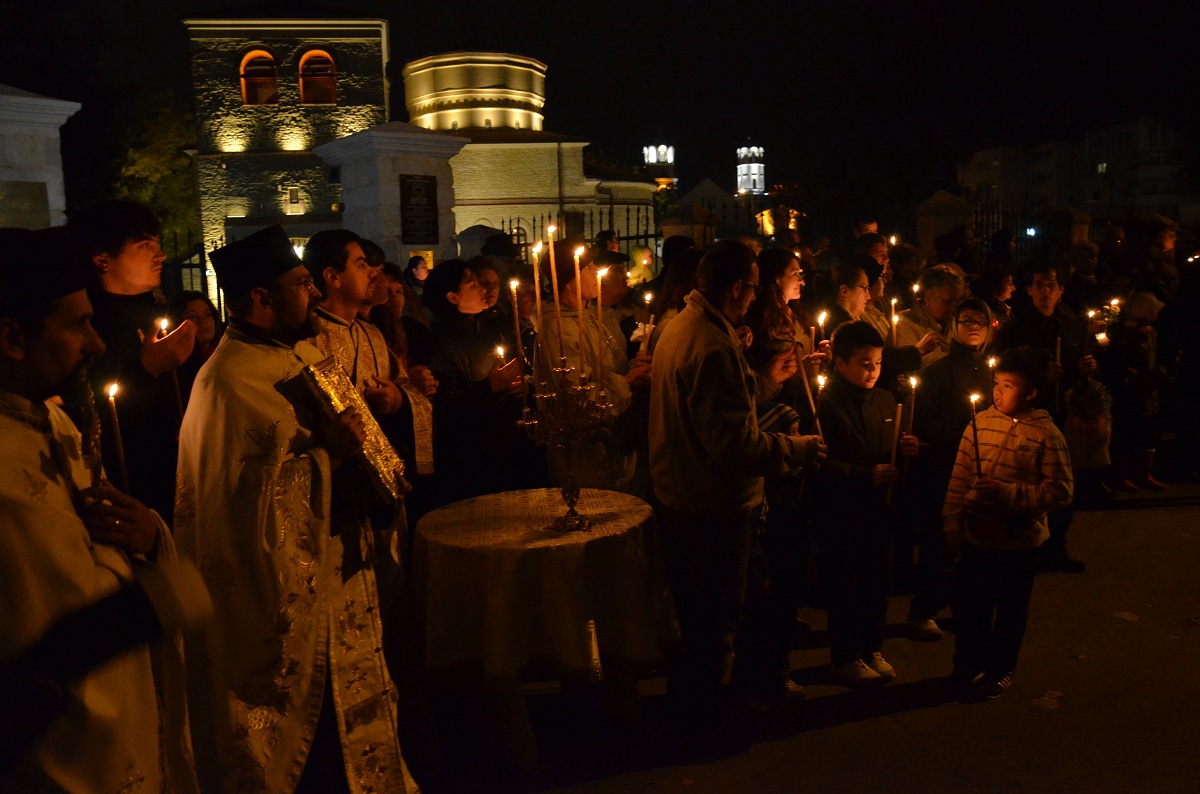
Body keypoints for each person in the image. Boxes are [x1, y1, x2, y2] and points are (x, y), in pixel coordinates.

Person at [175, 224, 419, 793]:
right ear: (261, 298)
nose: (313, 294)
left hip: (344, 586)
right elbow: (236, 520)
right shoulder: (229, 383)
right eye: (302, 284)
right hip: (289, 621)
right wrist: (330, 457)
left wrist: (377, 472)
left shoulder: (306, 352)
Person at [0, 226, 209, 793]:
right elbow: (35, 655)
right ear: (13, 337)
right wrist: (174, 591)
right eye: (78, 324)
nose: (96, 343)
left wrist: (148, 536)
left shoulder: (56, 421)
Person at [649, 239, 824, 733]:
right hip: (713, 508)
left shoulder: (685, 328)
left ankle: (690, 706)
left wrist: (762, 383)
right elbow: (737, 447)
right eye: (751, 287)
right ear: (732, 289)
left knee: (696, 620)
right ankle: (702, 721)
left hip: (681, 496)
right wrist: (799, 450)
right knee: (713, 625)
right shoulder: (710, 346)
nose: (754, 297)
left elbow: (709, 415)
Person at [943, 346, 1073, 699]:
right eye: (996, 383)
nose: (997, 392)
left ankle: (1000, 670)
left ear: (1030, 392)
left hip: (1019, 542)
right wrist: (952, 522)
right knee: (972, 608)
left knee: (1010, 610)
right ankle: (966, 665)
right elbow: (960, 475)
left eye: (1008, 385)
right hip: (976, 535)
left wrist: (1008, 494)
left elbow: (1060, 492)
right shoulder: (979, 422)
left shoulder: (1047, 435)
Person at [71, 200, 195, 526]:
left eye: (157, 243)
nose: (161, 255)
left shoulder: (157, 312)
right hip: (131, 493)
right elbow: (91, 421)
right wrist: (147, 371)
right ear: (103, 260)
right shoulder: (87, 327)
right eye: (144, 246)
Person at [814, 321, 920, 686]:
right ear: (840, 363)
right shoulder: (825, 406)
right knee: (847, 583)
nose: (873, 371)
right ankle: (845, 656)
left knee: (879, 579)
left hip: (881, 508)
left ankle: (872, 647)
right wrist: (865, 476)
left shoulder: (887, 400)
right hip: (844, 510)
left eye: (877, 362)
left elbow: (890, 452)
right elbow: (820, 466)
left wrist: (907, 452)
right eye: (863, 363)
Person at [905, 298, 996, 640]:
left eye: (980, 322)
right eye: (967, 321)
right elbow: (923, 419)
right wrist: (960, 439)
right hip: (944, 466)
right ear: (955, 327)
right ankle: (923, 609)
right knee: (940, 539)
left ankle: (964, 605)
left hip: (983, 465)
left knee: (977, 541)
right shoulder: (938, 371)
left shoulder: (992, 370)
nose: (974, 327)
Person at [994, 261, 1092, 572]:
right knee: (1030, 481)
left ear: (1061, 291)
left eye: (1052, 285)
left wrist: (1084, 368)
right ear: (1030, 290)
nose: (1046, 291)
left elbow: (1080, 362)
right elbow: (1007, 369)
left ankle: (1056, 547)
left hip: (1062, 413)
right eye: (1040, 284)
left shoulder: (1070, 324)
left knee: (1061, 480)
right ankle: (1025, 545)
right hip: (1030, 415)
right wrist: (1042, 374)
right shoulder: (1017, 328)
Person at [423, 258, 542, 503]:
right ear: (453, 297)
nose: (482, 289)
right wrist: (489, 387)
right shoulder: (440, 344)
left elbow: (523, 365)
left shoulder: (495, 327)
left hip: (514, 447)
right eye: (472, 284)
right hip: (476, 458)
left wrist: (527, 384)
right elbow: (447, 409)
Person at [540, 242, 650, 492]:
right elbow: (577, 398)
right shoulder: (558, 328)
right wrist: (627, 382)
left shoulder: (591, 315)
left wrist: (632, 368)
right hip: (586, 453)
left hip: (616, 439)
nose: (595, 272)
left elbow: (605, 370)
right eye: (588, 268)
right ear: (568, 281)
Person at [896, 264, 963, 370]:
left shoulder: (958, 324)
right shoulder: (904, 323)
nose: (953, 307)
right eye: (947, 301)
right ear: (928, 298)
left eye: (956, 301)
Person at [167, 290, 222, 408]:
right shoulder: (175, 369)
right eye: (192, 316)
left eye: (207, 314)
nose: (203, 321)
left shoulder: (226, 354)